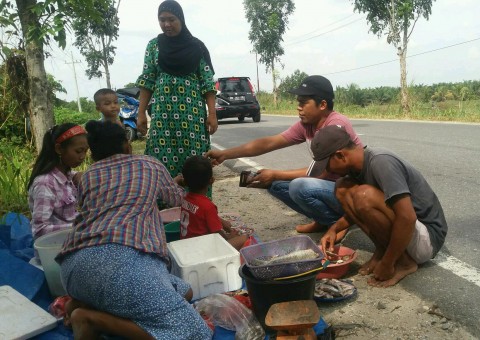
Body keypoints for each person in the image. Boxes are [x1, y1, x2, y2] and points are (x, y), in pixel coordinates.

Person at [57, 121, 211, 339]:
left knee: (185, 291)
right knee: (193, 331)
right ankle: (89, 318)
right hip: (122, 265)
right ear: (127, 145)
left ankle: (83, 303)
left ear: (93, 153)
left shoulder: (89, 174)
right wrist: (176, 182)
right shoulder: (150, 165)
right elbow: (177, 198)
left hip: (73, 268)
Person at [206, 75, 362, 236]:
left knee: (298, 187)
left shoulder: (336, 125)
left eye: (303, 102)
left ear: (322, 104)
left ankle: (339, 223)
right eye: (298, 103)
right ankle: (322, 220)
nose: (299, 107)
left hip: (350, 191)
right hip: (328, 187)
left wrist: (274, 174)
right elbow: (269, 143)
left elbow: (320, 172)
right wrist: (225, 154)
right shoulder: (307, 125)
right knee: (275, 185)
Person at [315, 125, 448, 288]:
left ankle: (404, 263)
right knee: (342, 187)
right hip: (409, 232)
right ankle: (382, 249)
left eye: (327, 166)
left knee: (364, 195)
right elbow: (358, 212)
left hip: (427, 238)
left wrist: (388, 263)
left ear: (340, 155)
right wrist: (333, 230)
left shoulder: (381, 161)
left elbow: (408, 217)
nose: (327, 172)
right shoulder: (357, 169)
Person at [136, 0, 218, 179]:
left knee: (195, 161)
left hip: (192, 118)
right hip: (161, 117)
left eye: (171, 19)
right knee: (160, 161)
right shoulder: (153, 46)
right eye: (162, 20)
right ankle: (165, 206)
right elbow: (147, 80)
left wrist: (212, 113)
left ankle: (197, 205)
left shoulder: (197, 46)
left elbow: (208, 84)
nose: (166, 24)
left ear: (181, 18)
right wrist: (141, 112)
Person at [28, 123, 88, 240]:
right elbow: (40, 230)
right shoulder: (45, 184)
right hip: (56, 247)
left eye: (85, 151)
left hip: (74, 238)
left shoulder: (68, 175)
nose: (82, 157)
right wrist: (80, 227)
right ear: (59, 149)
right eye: (78, 151)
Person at [180, 155, 249, 250]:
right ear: (211, 180)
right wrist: (229, 237)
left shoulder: (185, 198)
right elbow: (217, 233)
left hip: (186, 245)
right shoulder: (208, 206)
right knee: (244, 238)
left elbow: (200, 214)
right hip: (202, 250)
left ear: (185, 182)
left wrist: (221, 220)